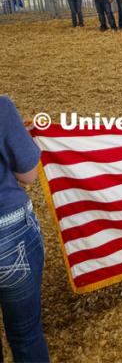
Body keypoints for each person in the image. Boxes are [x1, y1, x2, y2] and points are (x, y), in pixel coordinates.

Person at [0, 96, 50, 362]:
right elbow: (28, 174)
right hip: (8, 235)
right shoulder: (1, 108)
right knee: (25, 333)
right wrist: (18, 135)